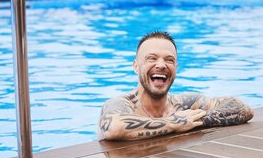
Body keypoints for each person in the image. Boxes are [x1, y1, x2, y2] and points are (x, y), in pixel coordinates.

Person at [98, 31, 254, 140]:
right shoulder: (121, 103)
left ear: (176, 68)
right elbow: (115, 129)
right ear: (136, 66)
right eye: (152, 58)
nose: (161, 65)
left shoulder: (184, 103)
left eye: (169, 60)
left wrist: (192, 121)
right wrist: (175, 123)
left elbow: (242, 108)